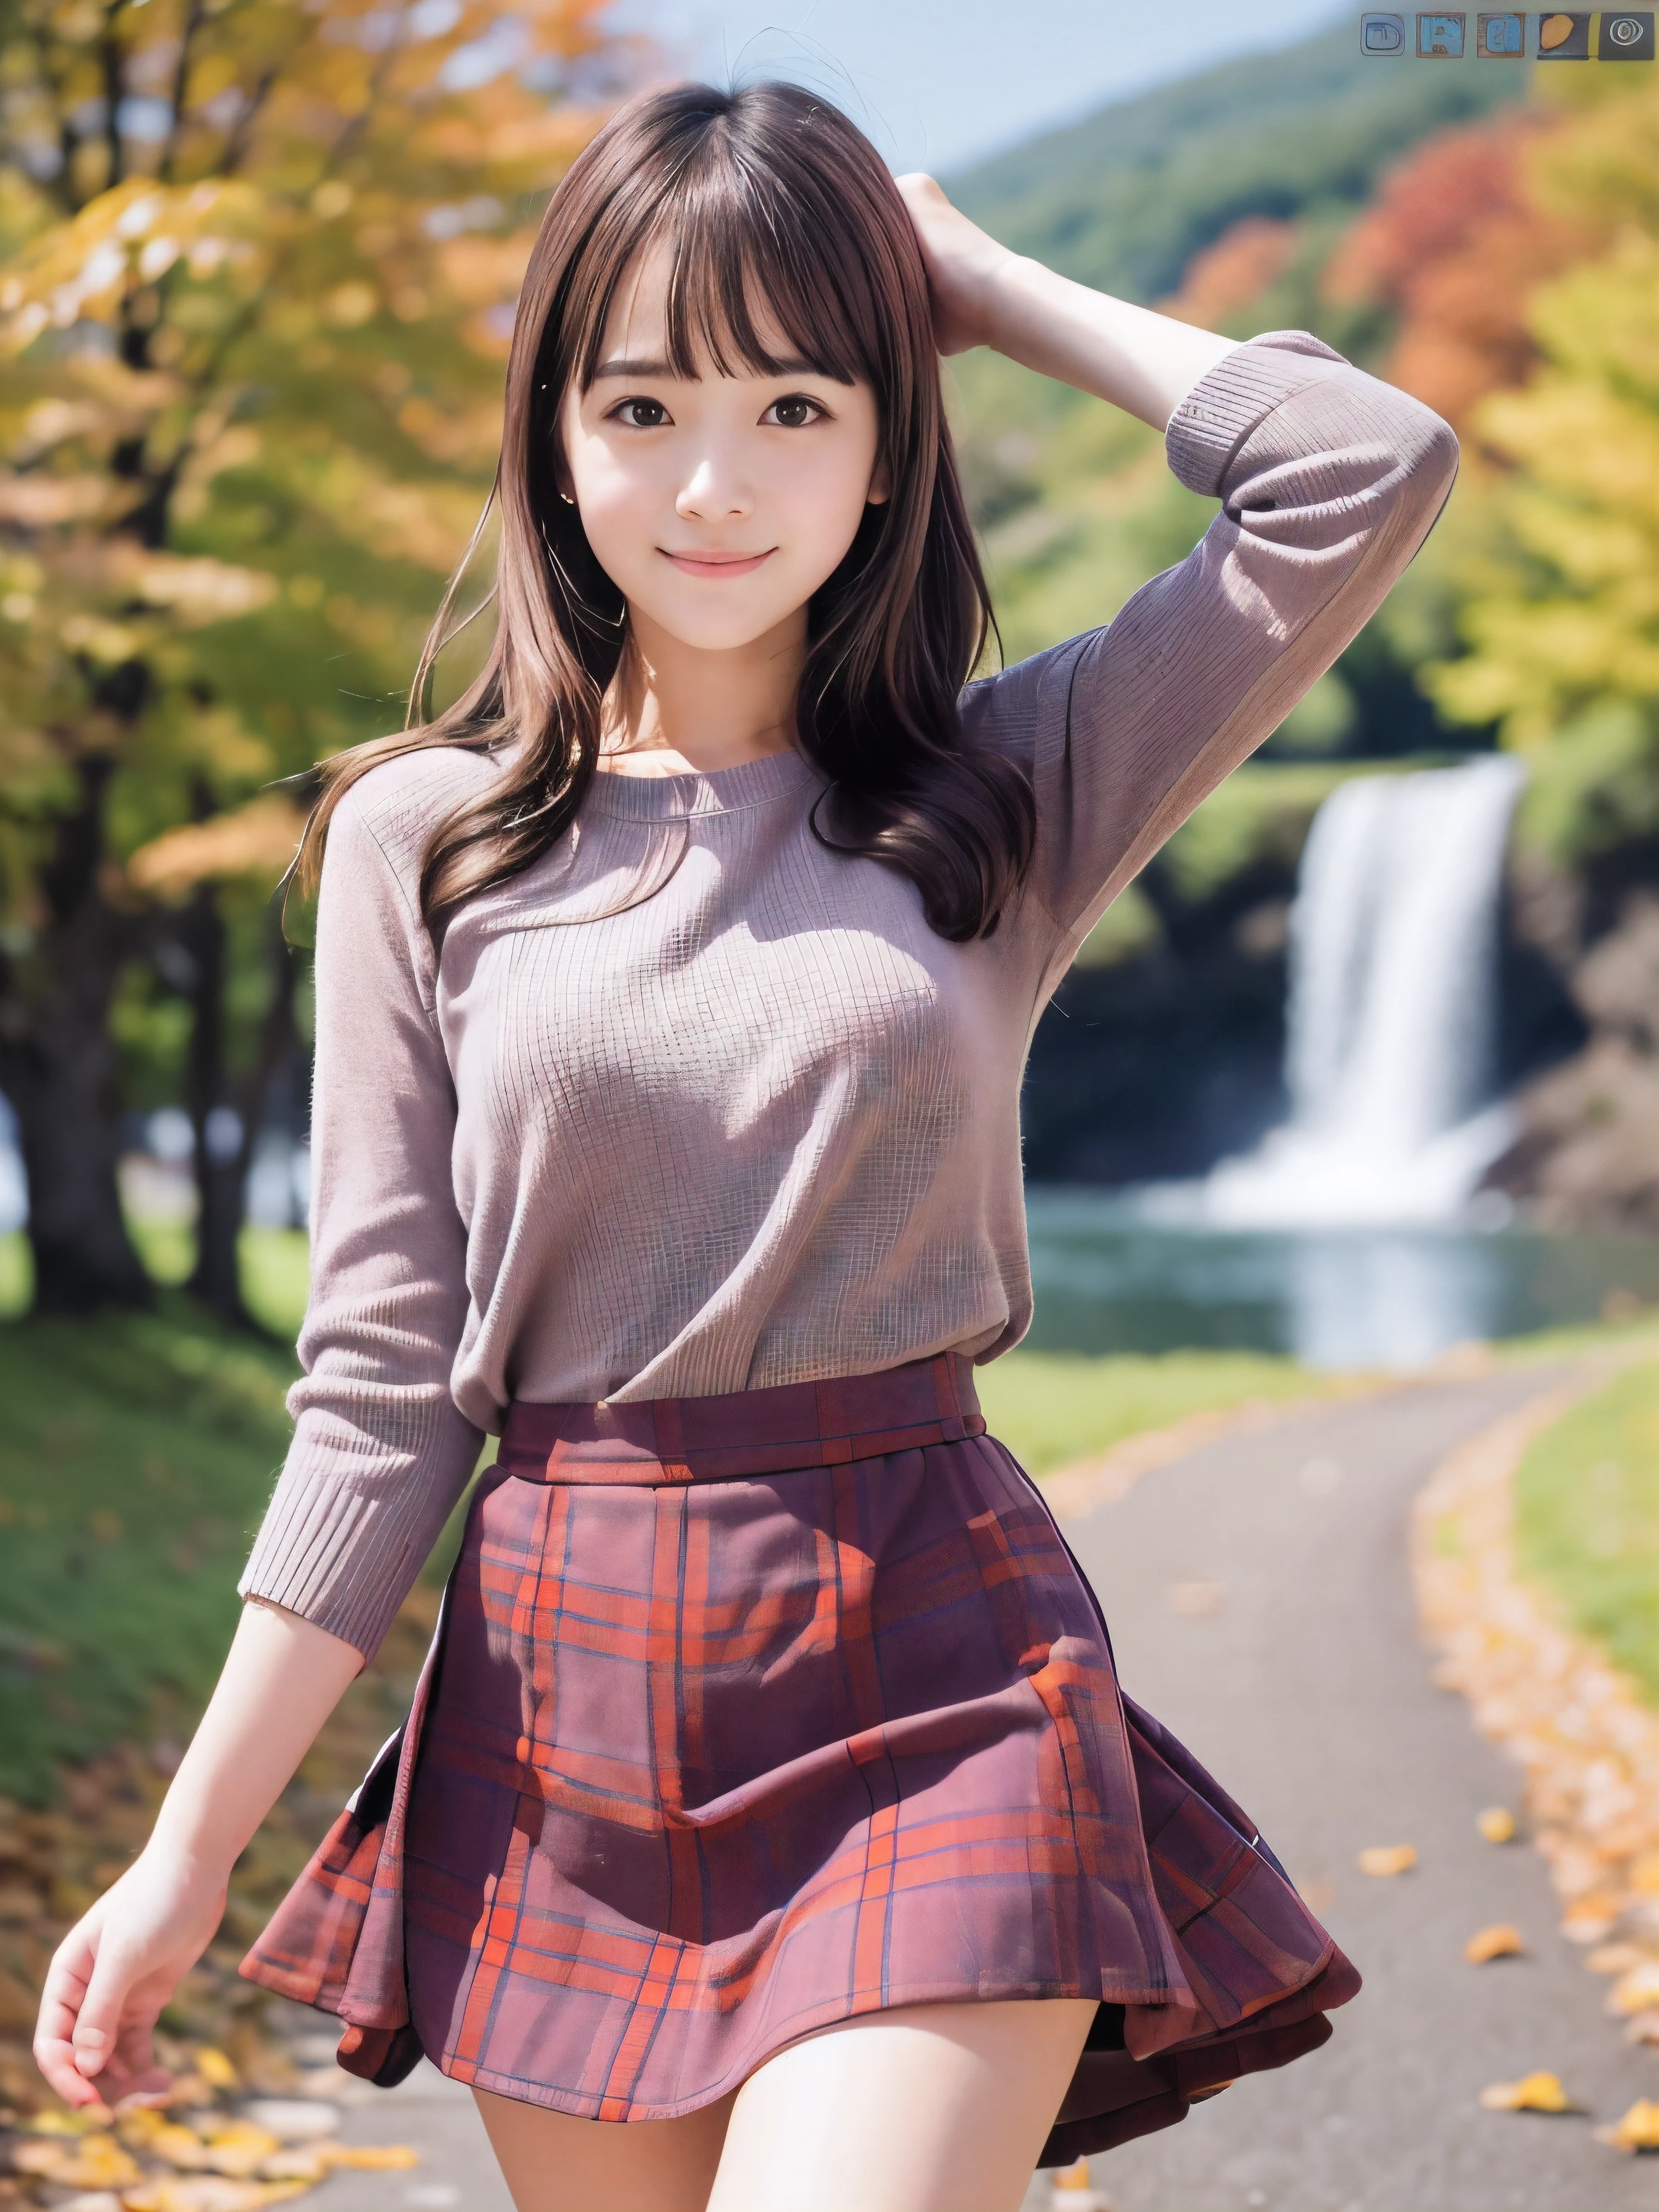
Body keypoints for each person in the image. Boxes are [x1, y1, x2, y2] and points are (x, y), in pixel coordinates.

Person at [34, 80, 1455, 2212]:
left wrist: (974, 284)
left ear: (893, 443)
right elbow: (375, 1397)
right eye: (643, 404)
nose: (716, 483)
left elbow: (1362, 470)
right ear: (552, 430)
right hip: (563, 1693)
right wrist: (185, 1846)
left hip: (936, 1657)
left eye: (800, 405)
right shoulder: (421, 845)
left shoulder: (1011, 776)